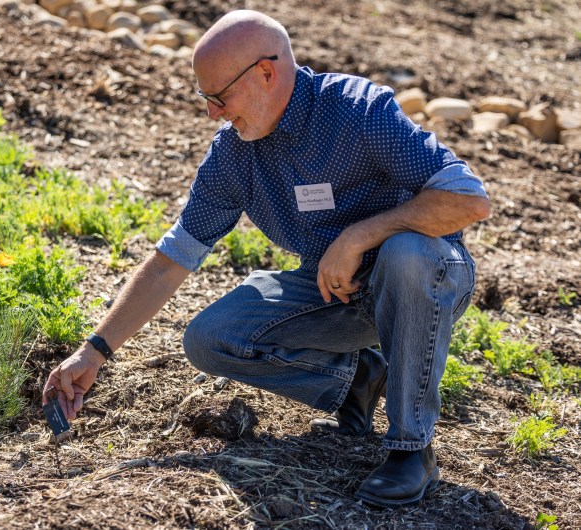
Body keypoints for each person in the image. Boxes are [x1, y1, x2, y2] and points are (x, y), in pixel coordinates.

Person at [43, 9, 490, 508]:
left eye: (219, 96)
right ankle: (358, 380)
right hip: (336, 295)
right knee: (211, 339)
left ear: (265, 72)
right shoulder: (236, 154)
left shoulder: (358, 112)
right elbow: (173, 260)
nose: (212, 112)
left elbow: (469, 200)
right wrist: (95, 351)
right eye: (204, 98)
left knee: (406, 251)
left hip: (424, 282)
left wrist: (360, 236)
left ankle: (412, 450)